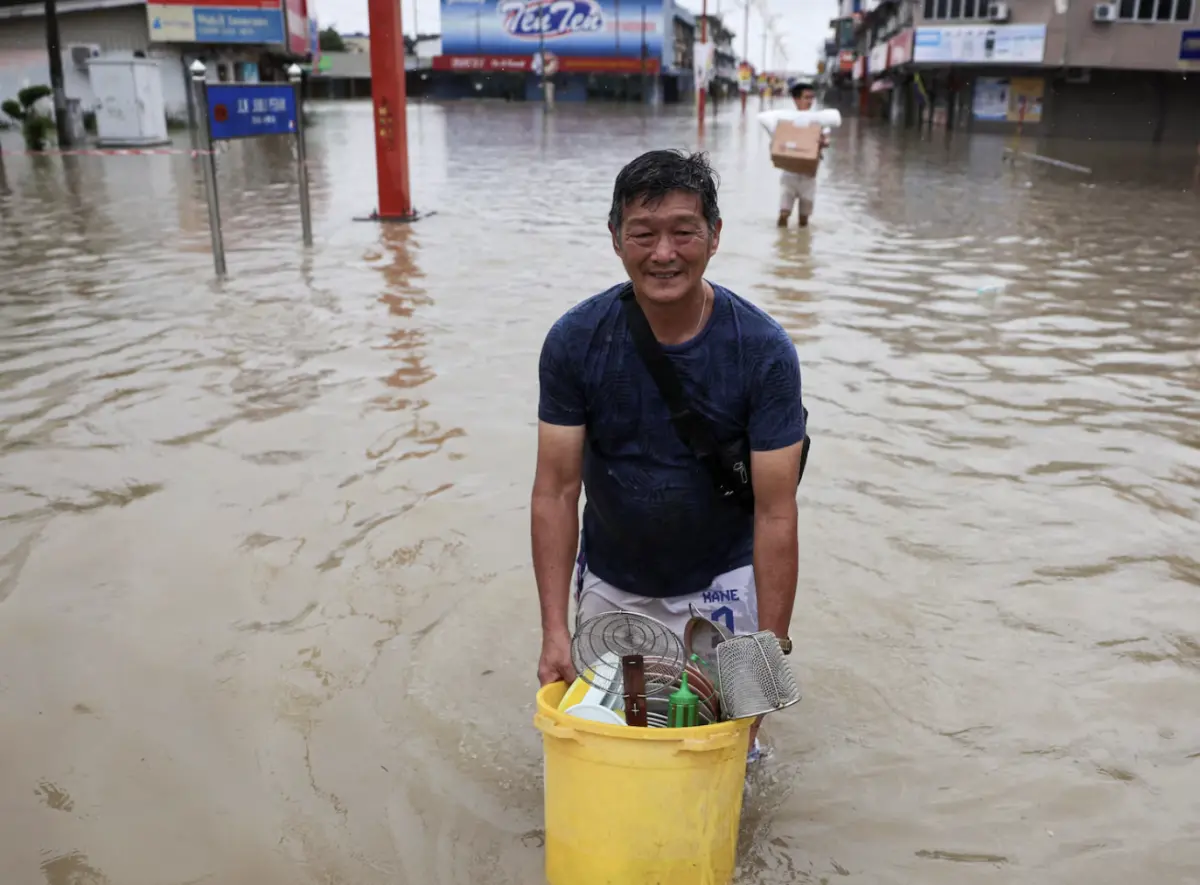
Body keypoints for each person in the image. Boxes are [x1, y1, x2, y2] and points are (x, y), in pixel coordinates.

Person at [531, 149, 807, 755]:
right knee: (611, 750)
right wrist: (554, 629)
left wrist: (769, 653)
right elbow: (555, 490)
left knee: (733, 759)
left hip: (724, 583)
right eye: (643, 233)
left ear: (714, 236)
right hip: (614, 583)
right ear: (614, 238)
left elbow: (777, 512)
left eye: (683, 232)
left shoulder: (763, 351)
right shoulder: (575, 341)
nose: (663, 253)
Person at [777, 80, 831, 229]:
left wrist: (821, 141)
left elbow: (827, 140)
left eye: (811, 98)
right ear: (796, 99)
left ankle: (802, 249)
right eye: (806, 97)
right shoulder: (786, 120)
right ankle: (782, 246)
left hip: (809, 175)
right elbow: (778, 141)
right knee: (783, 214)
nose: (810, 101)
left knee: (804, 220)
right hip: (789, 175)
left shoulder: (818, 121)